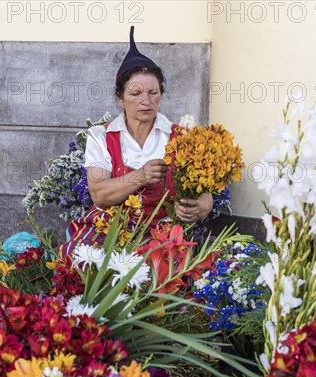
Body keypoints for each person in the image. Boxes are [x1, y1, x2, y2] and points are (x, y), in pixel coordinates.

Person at [58, 26, 213, 258]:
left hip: (164, 232)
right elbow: (99, 194)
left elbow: (206, 193)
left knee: (162, 271)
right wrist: (140, 176)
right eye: (135, 93)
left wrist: (202, 207)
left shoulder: (182, 138)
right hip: (109, 228)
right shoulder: (101, 137)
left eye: (153, 93)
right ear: (120, 98)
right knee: (83, 261)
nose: (146, 101)